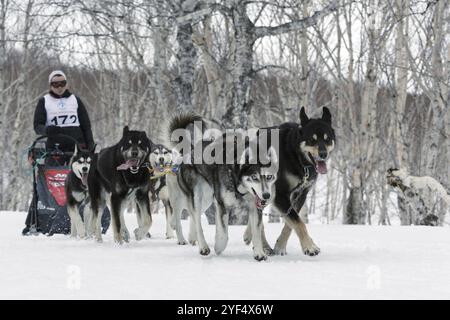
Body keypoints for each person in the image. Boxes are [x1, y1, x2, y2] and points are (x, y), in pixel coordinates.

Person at [33, 70, 95, 154]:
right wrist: (47, 130)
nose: (59, 87)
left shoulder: (75, 100)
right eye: (55, 84)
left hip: (77, 146)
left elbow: (86, 125)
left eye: (62, 83)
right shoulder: (44, 101)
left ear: (66, 84)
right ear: (50, 85)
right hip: (55, 147)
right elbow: (37, 126)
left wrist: (90, 143)